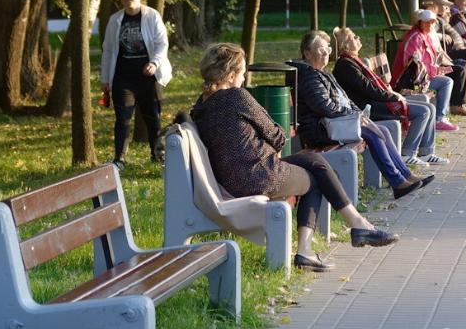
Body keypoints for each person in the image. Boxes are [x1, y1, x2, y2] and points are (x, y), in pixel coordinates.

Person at [190, 43, 398, 272]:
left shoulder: (201, 106)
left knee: (315, 162)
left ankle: (357, 225)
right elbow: (278, 136)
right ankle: (313, 247)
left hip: (237, 175)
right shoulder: (237, 97)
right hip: (257, 176)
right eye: (241, 74)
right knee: (316, 176)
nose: (242, 80)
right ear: (230, 76)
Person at [289, 31, 433, 199]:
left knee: (382, 130)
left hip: (334, 124)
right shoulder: (309, 77)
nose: (326, 52)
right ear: (307, 53)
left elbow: (345, 100)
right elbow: (325, 107)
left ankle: (405, 176)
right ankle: (397, 182)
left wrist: (357, 114)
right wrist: (354, 116)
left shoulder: (321, 73)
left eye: (327, 48)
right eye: (321, 49)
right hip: (321, 130)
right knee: (371, 133)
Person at [331, 27, 449, 167]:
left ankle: (426, 153)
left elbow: (372, 88)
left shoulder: (353, 61)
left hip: (375, 101)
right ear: (345, 45)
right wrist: (393, 97)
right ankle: (407, 154)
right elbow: (370, 90)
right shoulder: (345, 65)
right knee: (423, 112)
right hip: (368, 107)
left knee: (430, 107)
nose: (358, 38)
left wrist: (393, 95)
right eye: (354, 37)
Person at [101, 0, 171, 169]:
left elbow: (161, 44)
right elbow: (108, 50)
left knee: (153, 118)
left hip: (148, 78)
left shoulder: (151, 15)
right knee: (123, 118)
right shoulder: (115, 20)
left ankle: (157, 156)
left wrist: (155, 64)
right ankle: (119, 159)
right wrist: (105, 78)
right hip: (123, 79)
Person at [392, 10, 466, 126]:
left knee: (453, 74)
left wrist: (440, 68)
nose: (431, 25)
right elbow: (414, 66)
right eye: (428, 22)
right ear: (420, 23)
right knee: (446, 82)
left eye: (433, 22)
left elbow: (431, 59)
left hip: (420, 78)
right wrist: (435, 70)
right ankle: (439, 119)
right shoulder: (415, 38)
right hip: (408, 83)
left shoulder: (424, 35)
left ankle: (442, 116)